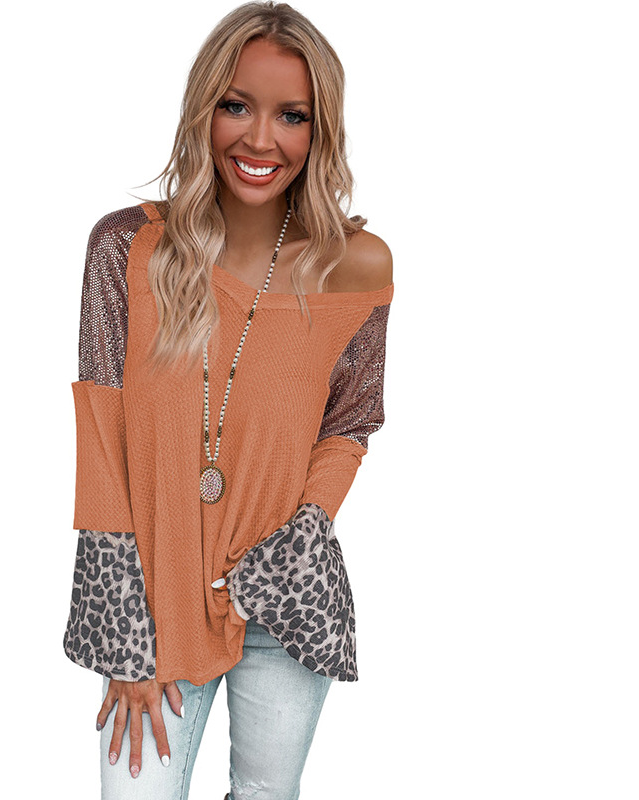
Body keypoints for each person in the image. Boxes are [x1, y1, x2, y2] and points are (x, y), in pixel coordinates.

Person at [62, 2, 395, 798]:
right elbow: (102, 437)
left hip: (285, 600)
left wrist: (303, 529)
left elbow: (351, 420)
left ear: (321, 130)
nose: (260, 139)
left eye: (293, 116)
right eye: (237, 105)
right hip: (157, 603)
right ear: (203, 109)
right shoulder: (127, 248)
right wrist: (125, 640)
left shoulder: (356, 264)